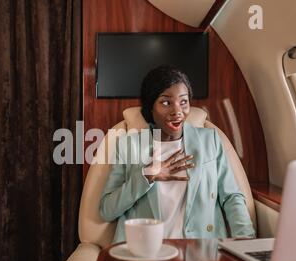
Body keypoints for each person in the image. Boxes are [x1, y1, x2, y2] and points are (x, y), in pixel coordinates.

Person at [99, 65, 255, 244]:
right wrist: (146, 177)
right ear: (150, 107)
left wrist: (247, 242)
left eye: (183, 101)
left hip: (201, 254)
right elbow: (106, 210)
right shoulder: (129, 145)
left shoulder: (210, 140)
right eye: (166, 102)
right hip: (148, 251)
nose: (177, 111)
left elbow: (231, 197)